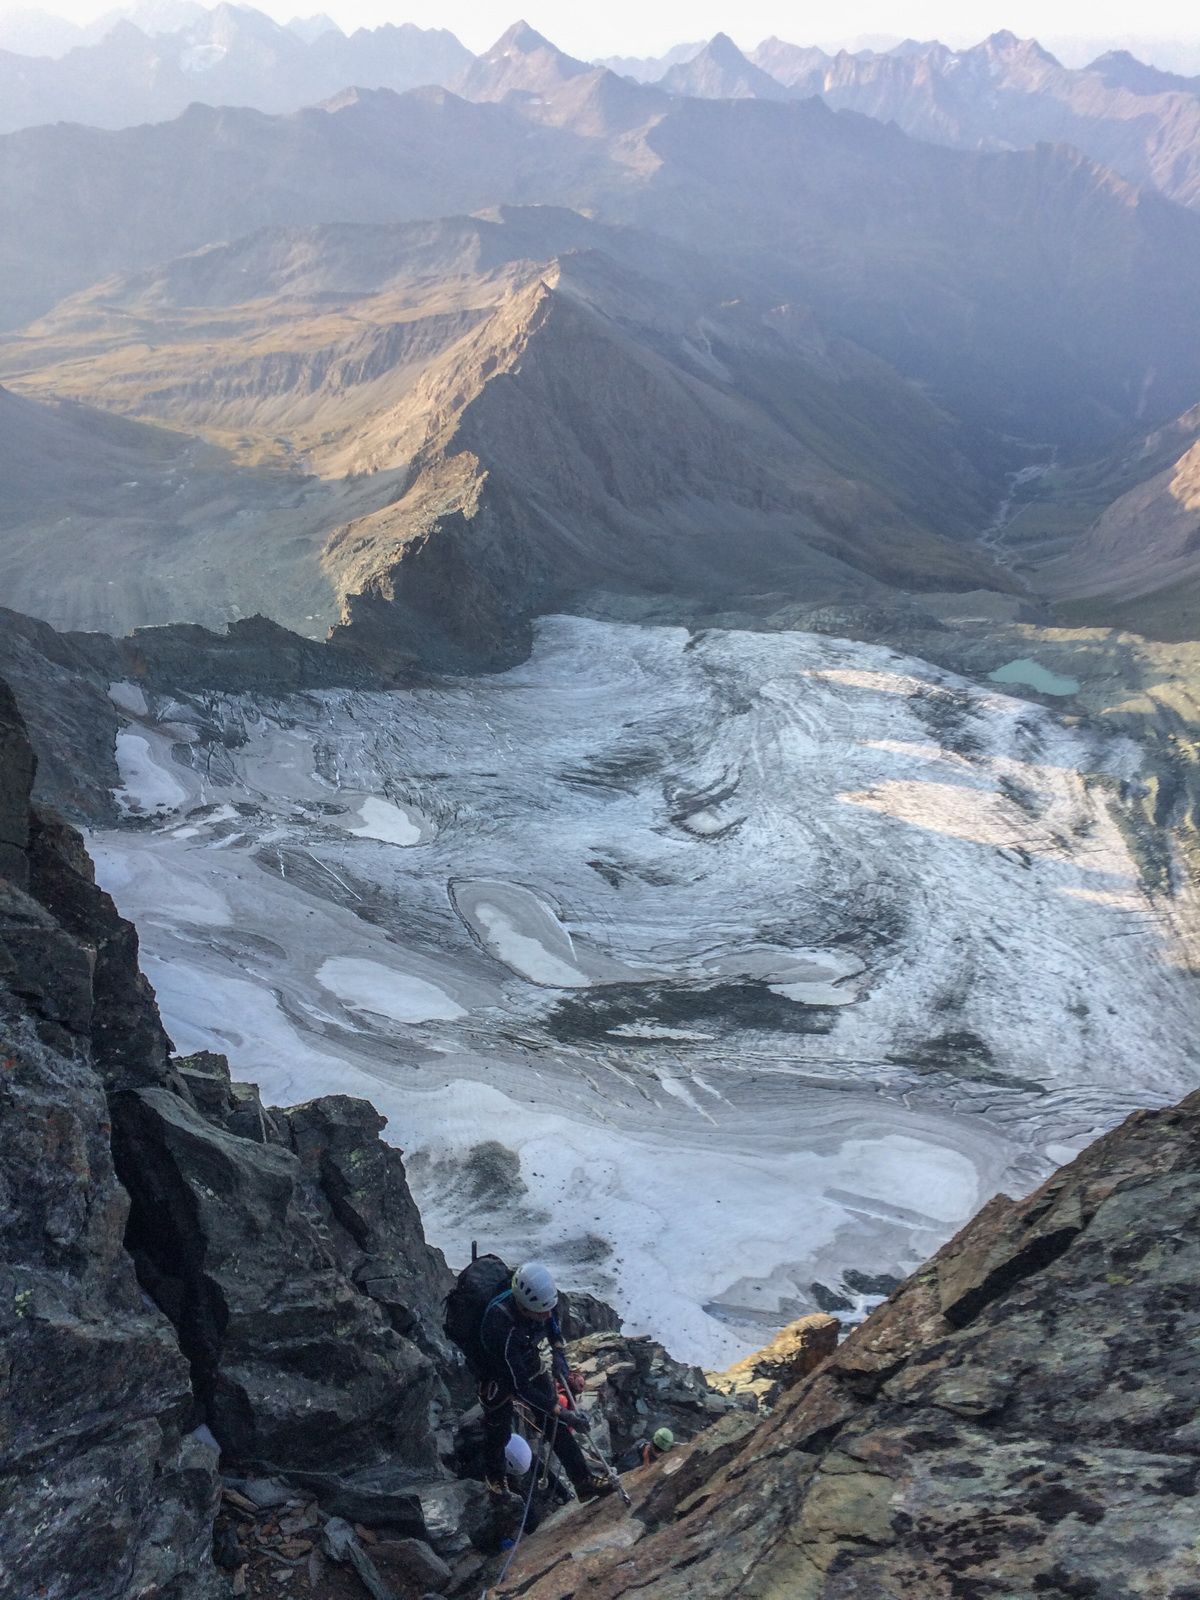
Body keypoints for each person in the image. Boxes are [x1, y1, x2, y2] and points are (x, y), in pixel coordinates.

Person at [476, 1260, 613, 1503]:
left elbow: (553, 1324)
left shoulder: (543, 1301)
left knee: (553, 1424)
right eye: (540, 1311)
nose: (547, 1314)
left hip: (526, 1358)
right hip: (496, 1372)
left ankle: (583, 1481)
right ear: (523, 1306)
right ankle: (496, 1481)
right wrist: (562, 1411)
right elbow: (520, 1386)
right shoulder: (500, 1325)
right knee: (499, 1429)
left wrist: (559, 1353)